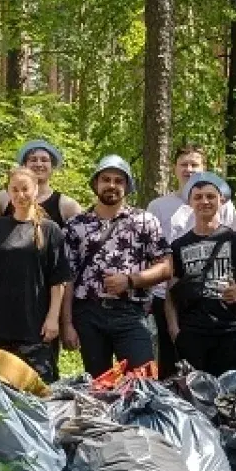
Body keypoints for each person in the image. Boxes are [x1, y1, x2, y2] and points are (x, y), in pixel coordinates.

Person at [61, 155, 171, 376]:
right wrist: (67, 324)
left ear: (127, 186)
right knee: (98, 386)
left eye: (118, 180)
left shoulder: (144, 221)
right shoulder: (76, 225)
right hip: (88, 313)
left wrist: (131, 280)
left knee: (143, 381)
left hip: (131, 313)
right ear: (96, 183)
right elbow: (67, 278)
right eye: (106, 179)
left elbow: (166, 267)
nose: (111, 185)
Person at [146, 143, 236, 376]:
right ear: (174, 169)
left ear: (204, 168)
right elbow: (149, 250)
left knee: (221, 369)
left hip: (215, 297)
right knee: (172, 366)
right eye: (184, 164)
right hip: (168, 293)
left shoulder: (224, 205)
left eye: (194, 164)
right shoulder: (159, 206)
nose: (189, 169)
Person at [0, 167, 71, 383]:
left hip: (35, 327)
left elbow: (58, 280)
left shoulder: (50, 230)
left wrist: (53, 318)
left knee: (38, 390)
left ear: (35, 191)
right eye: (14, 190)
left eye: (25, 189)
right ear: (8, 192)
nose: (20, 195)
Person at [165, 173, 236, 376]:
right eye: (198, 197)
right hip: (191, 333)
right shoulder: (178, 245)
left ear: (221, 200)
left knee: (228, 394)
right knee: (194, 395)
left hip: (229, 332)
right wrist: (174, 329)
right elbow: (171, 292)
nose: (204, 201)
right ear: (190, 203)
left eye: (210, 196)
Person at [0, 139, 82, 227]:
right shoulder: (3, 199)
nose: (39, 164)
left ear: (52, 166)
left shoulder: (67, 206)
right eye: (33, 160)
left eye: (44, 160)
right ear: (24, 165)